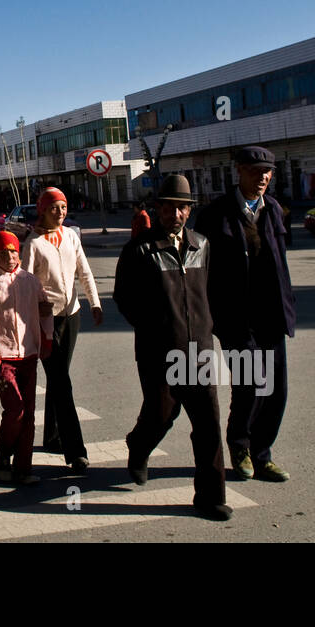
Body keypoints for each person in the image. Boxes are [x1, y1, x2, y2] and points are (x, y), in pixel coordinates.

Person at [114, 174, 231, 520]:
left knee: (209, 423)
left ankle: (211, 498)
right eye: (168, 207)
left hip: (200, 352)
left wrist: (210, 329)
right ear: (158, 209)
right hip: (158, 352)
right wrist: (156, 328)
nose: (175, 214)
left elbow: (211, 292)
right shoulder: (139, 249)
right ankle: (139, 445)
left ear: (189, 211)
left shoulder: (202, 245)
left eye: (181, 208)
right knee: (161, 415)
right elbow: (124, 298)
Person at [193, 146, 296, 484]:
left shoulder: (275, 210)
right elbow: (199, 268)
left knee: (275, 388)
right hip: (235, 316)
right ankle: (240, 447)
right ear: (238, 171)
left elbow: (281, 263)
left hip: (271, 315)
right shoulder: (214, 215)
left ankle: (263, 453)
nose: (263, 177)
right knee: (249, 383)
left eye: (268, 171)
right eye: (256, 171)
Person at [21, 186, 103, 473]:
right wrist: (35, 309)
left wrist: (94, 302)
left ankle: (52, 436)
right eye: (54, 208)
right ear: (42, 210)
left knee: (59, 379)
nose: (60, 213)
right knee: (62, 382)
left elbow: (84, 271)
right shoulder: (33, 244)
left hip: (73, 316)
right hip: (47, 320)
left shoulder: (70, 236)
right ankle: (75, 450)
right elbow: (25, 283)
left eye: (64, 208)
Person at [0, 231, 53, 486]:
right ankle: (2, 457)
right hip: (3, 357)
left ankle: (23, 467)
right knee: (15, 410)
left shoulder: (30, 281)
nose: (9, 257)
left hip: (29, 355)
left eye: (13, 251)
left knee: (28, 413)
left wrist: (48, 338)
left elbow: (45, 311)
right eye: (3, 253)